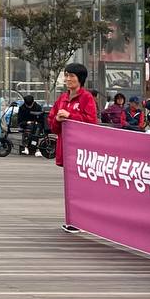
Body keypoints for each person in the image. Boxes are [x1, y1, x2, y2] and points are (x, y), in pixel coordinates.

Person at [49, 62, 98, 232]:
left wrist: (71, 115)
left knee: (82, 187)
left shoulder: (86, 98)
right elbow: (52, 124)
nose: (68, 79)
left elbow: (91, 121)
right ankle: (73, 220)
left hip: (82, 150)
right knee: (70, 187)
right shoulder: (62, 98)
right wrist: (57, 119)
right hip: (66, 149)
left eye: (71, 76)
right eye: (66, 75)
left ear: (80, 79)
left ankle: (82, 221)